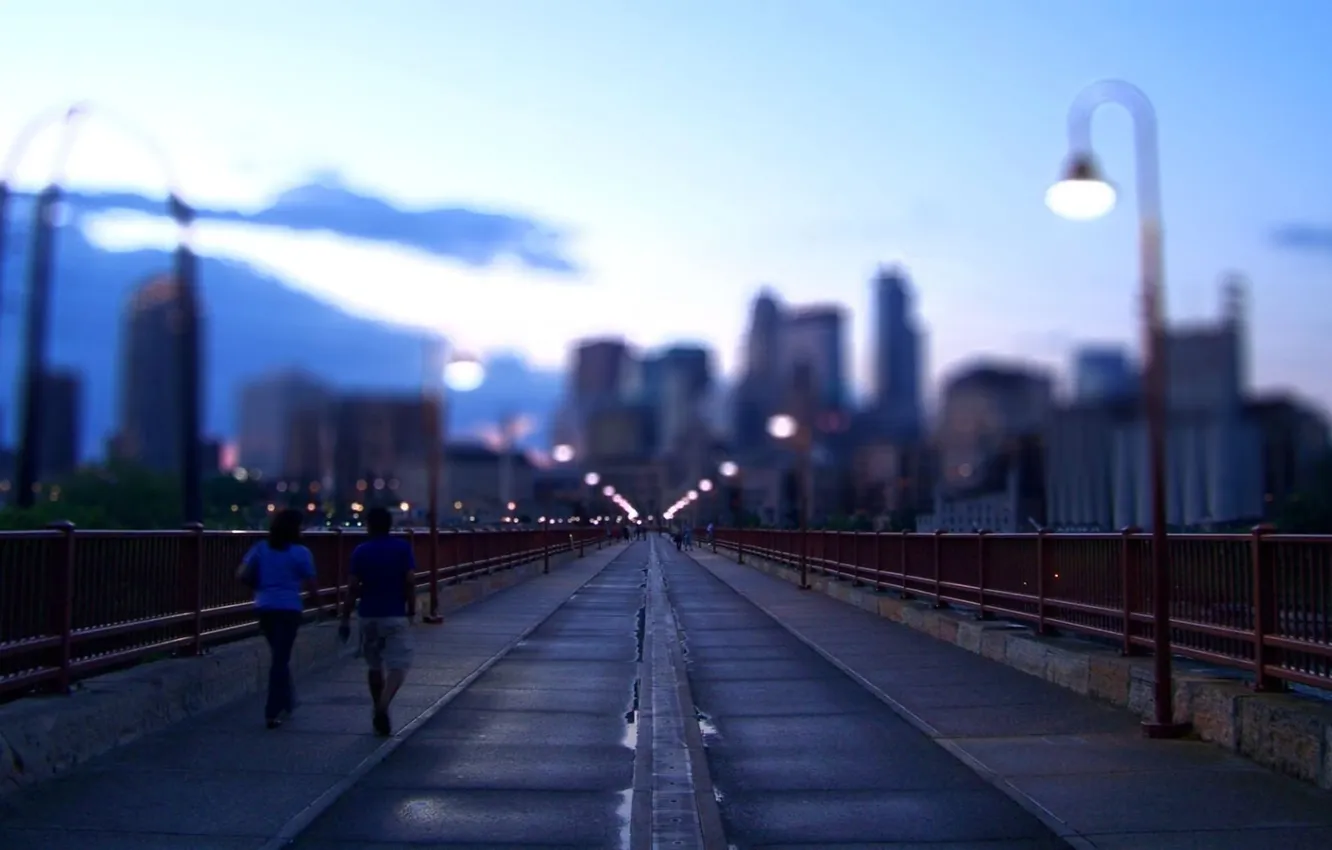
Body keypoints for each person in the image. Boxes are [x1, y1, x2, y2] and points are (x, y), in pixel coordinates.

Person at [237, 509, 318, 729]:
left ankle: (288, 700)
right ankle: (272, 711)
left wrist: (261, 588)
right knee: (280, 660)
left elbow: (242, 574)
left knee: (279, 655)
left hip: (265, 607)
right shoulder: (300, 553)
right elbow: (310, 583)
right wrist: (320, 606)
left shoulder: (261, 549)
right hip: (289, 609)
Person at [339, 506, 417, 736]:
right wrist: (411, 609)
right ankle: (383, 706)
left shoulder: (361, 551)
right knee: (399, 665)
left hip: (368, 615)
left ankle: (377, 707)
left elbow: (352, 588)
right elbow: (410, 581)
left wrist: (344, 619)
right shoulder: (402, 548)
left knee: (374, 665)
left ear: (369, 525)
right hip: (394, 614)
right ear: (390, 525)